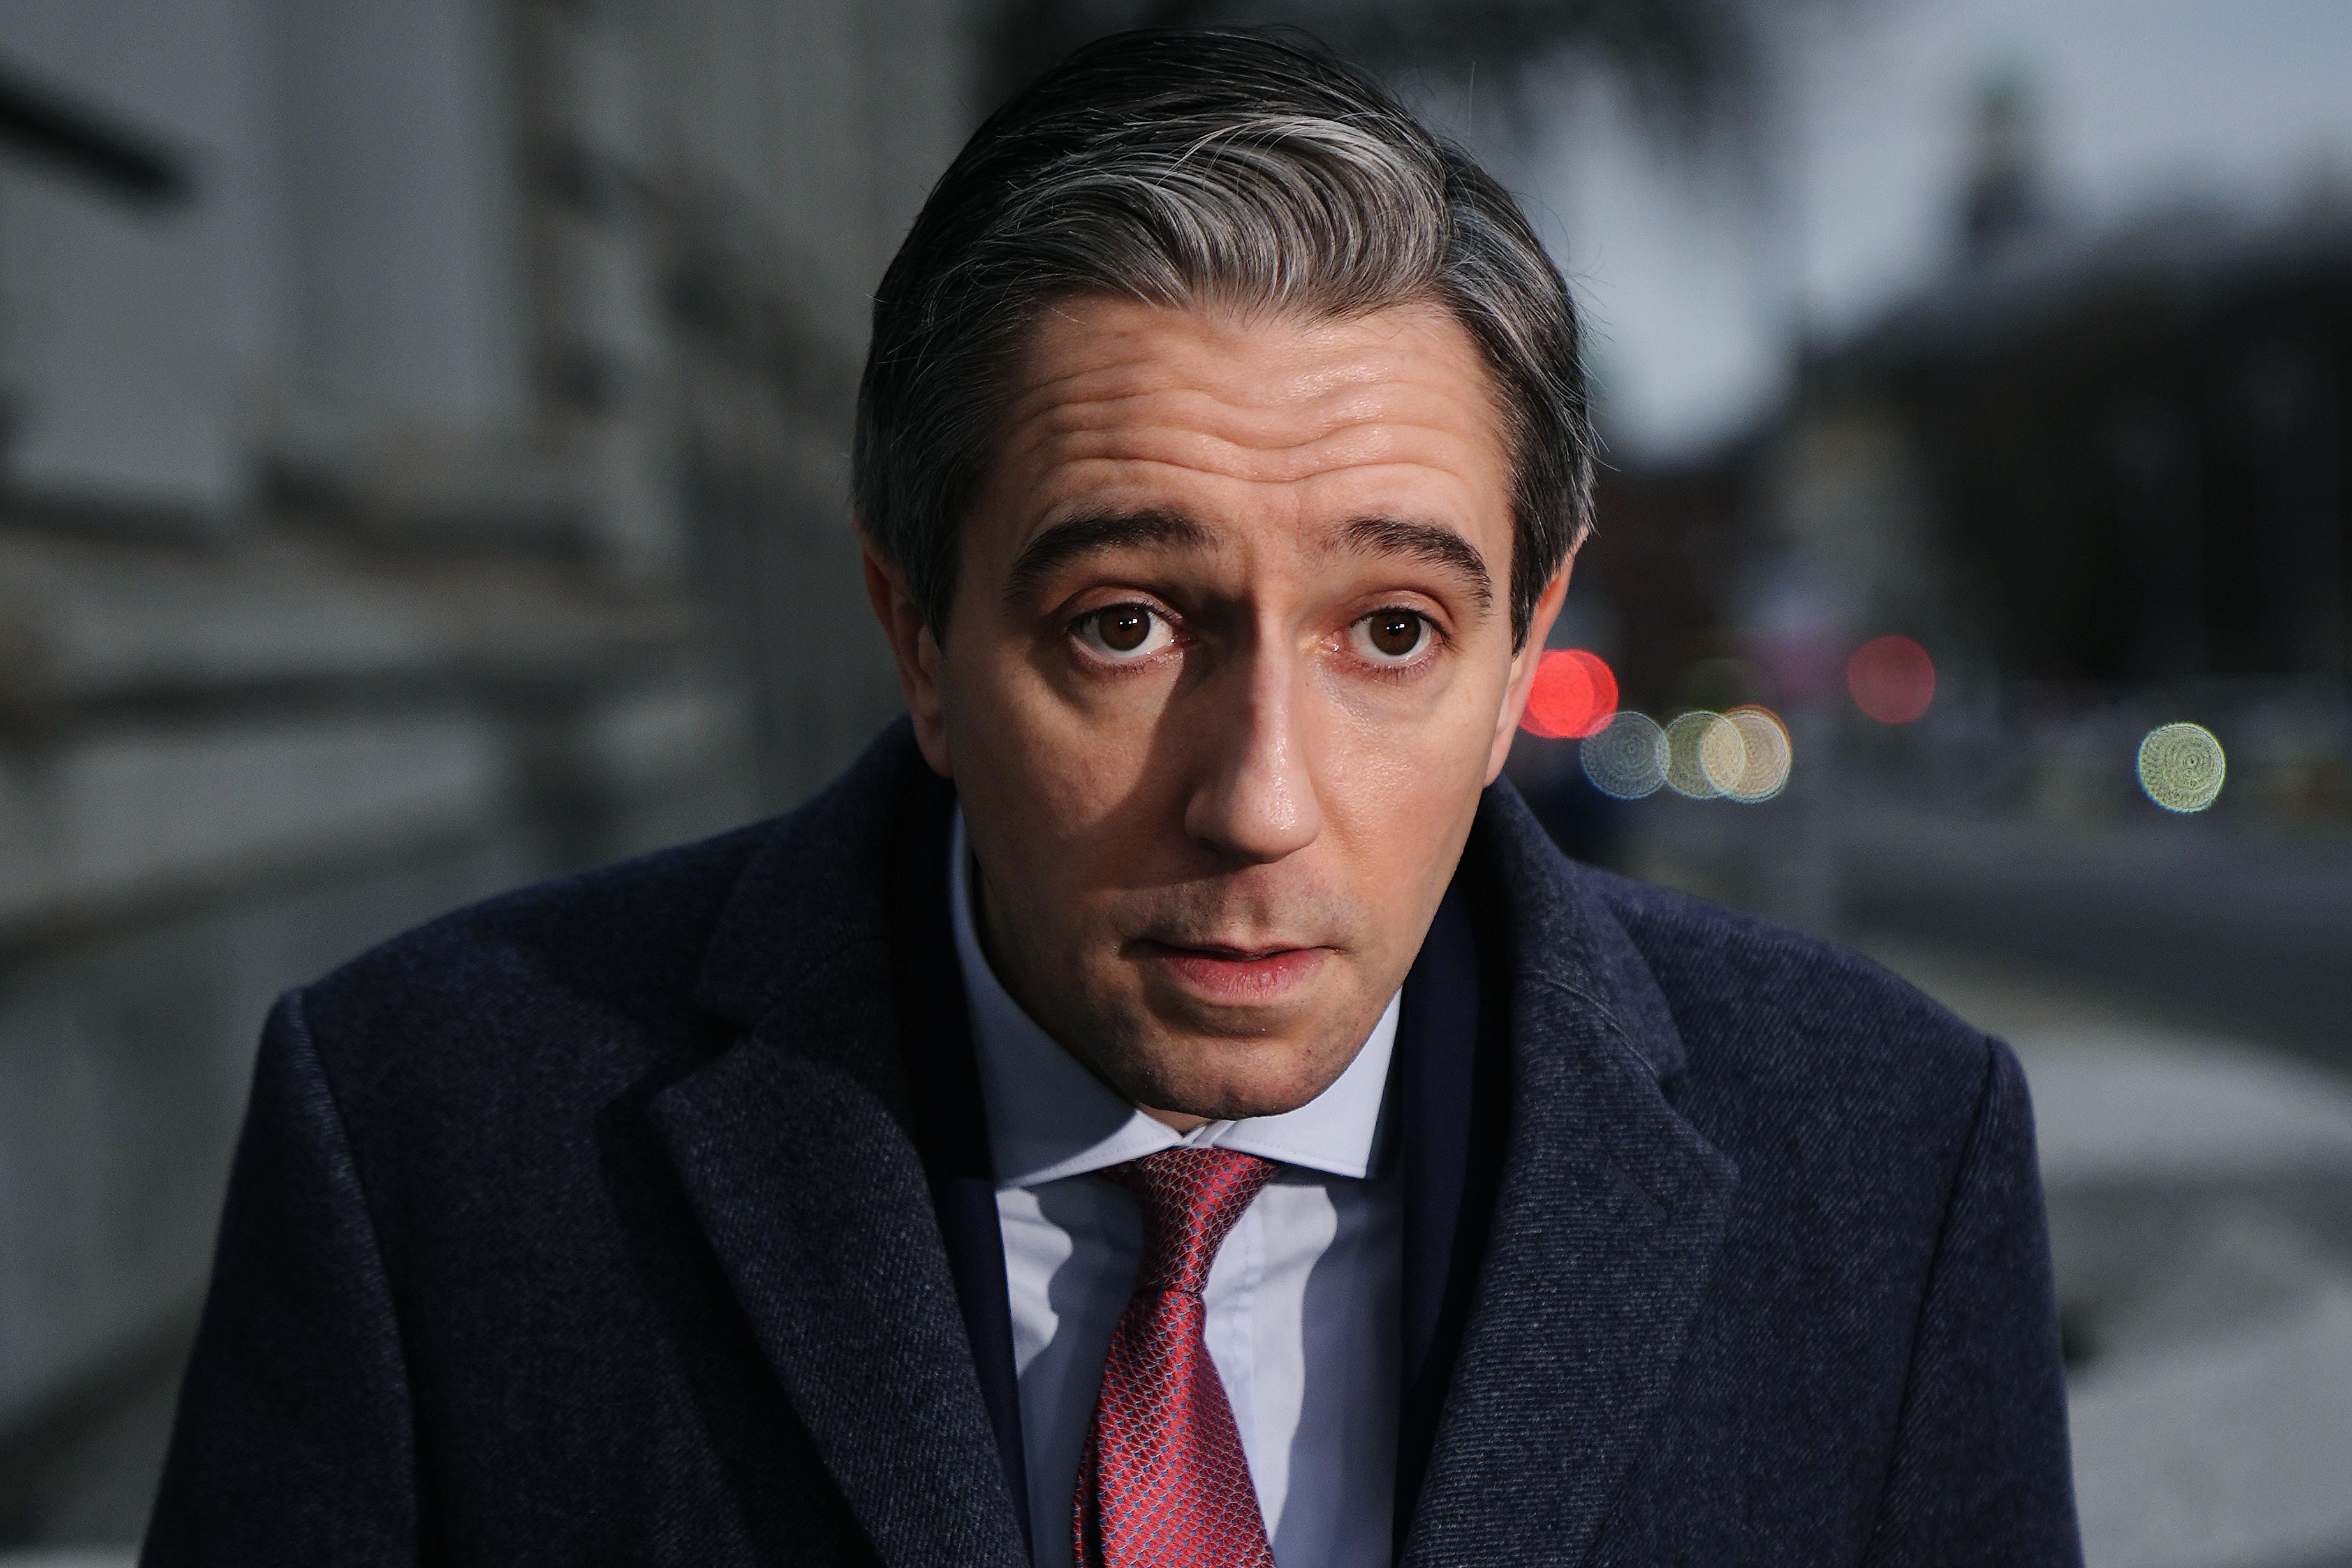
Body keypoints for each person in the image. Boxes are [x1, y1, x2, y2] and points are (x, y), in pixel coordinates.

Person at [144, 28, 2080, 1568]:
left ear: (1525, 648)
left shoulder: (1889, 1166)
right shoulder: (428, 1141)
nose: (1257, 801)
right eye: (1128, 621)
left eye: (1391, 631)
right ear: (920, 638)